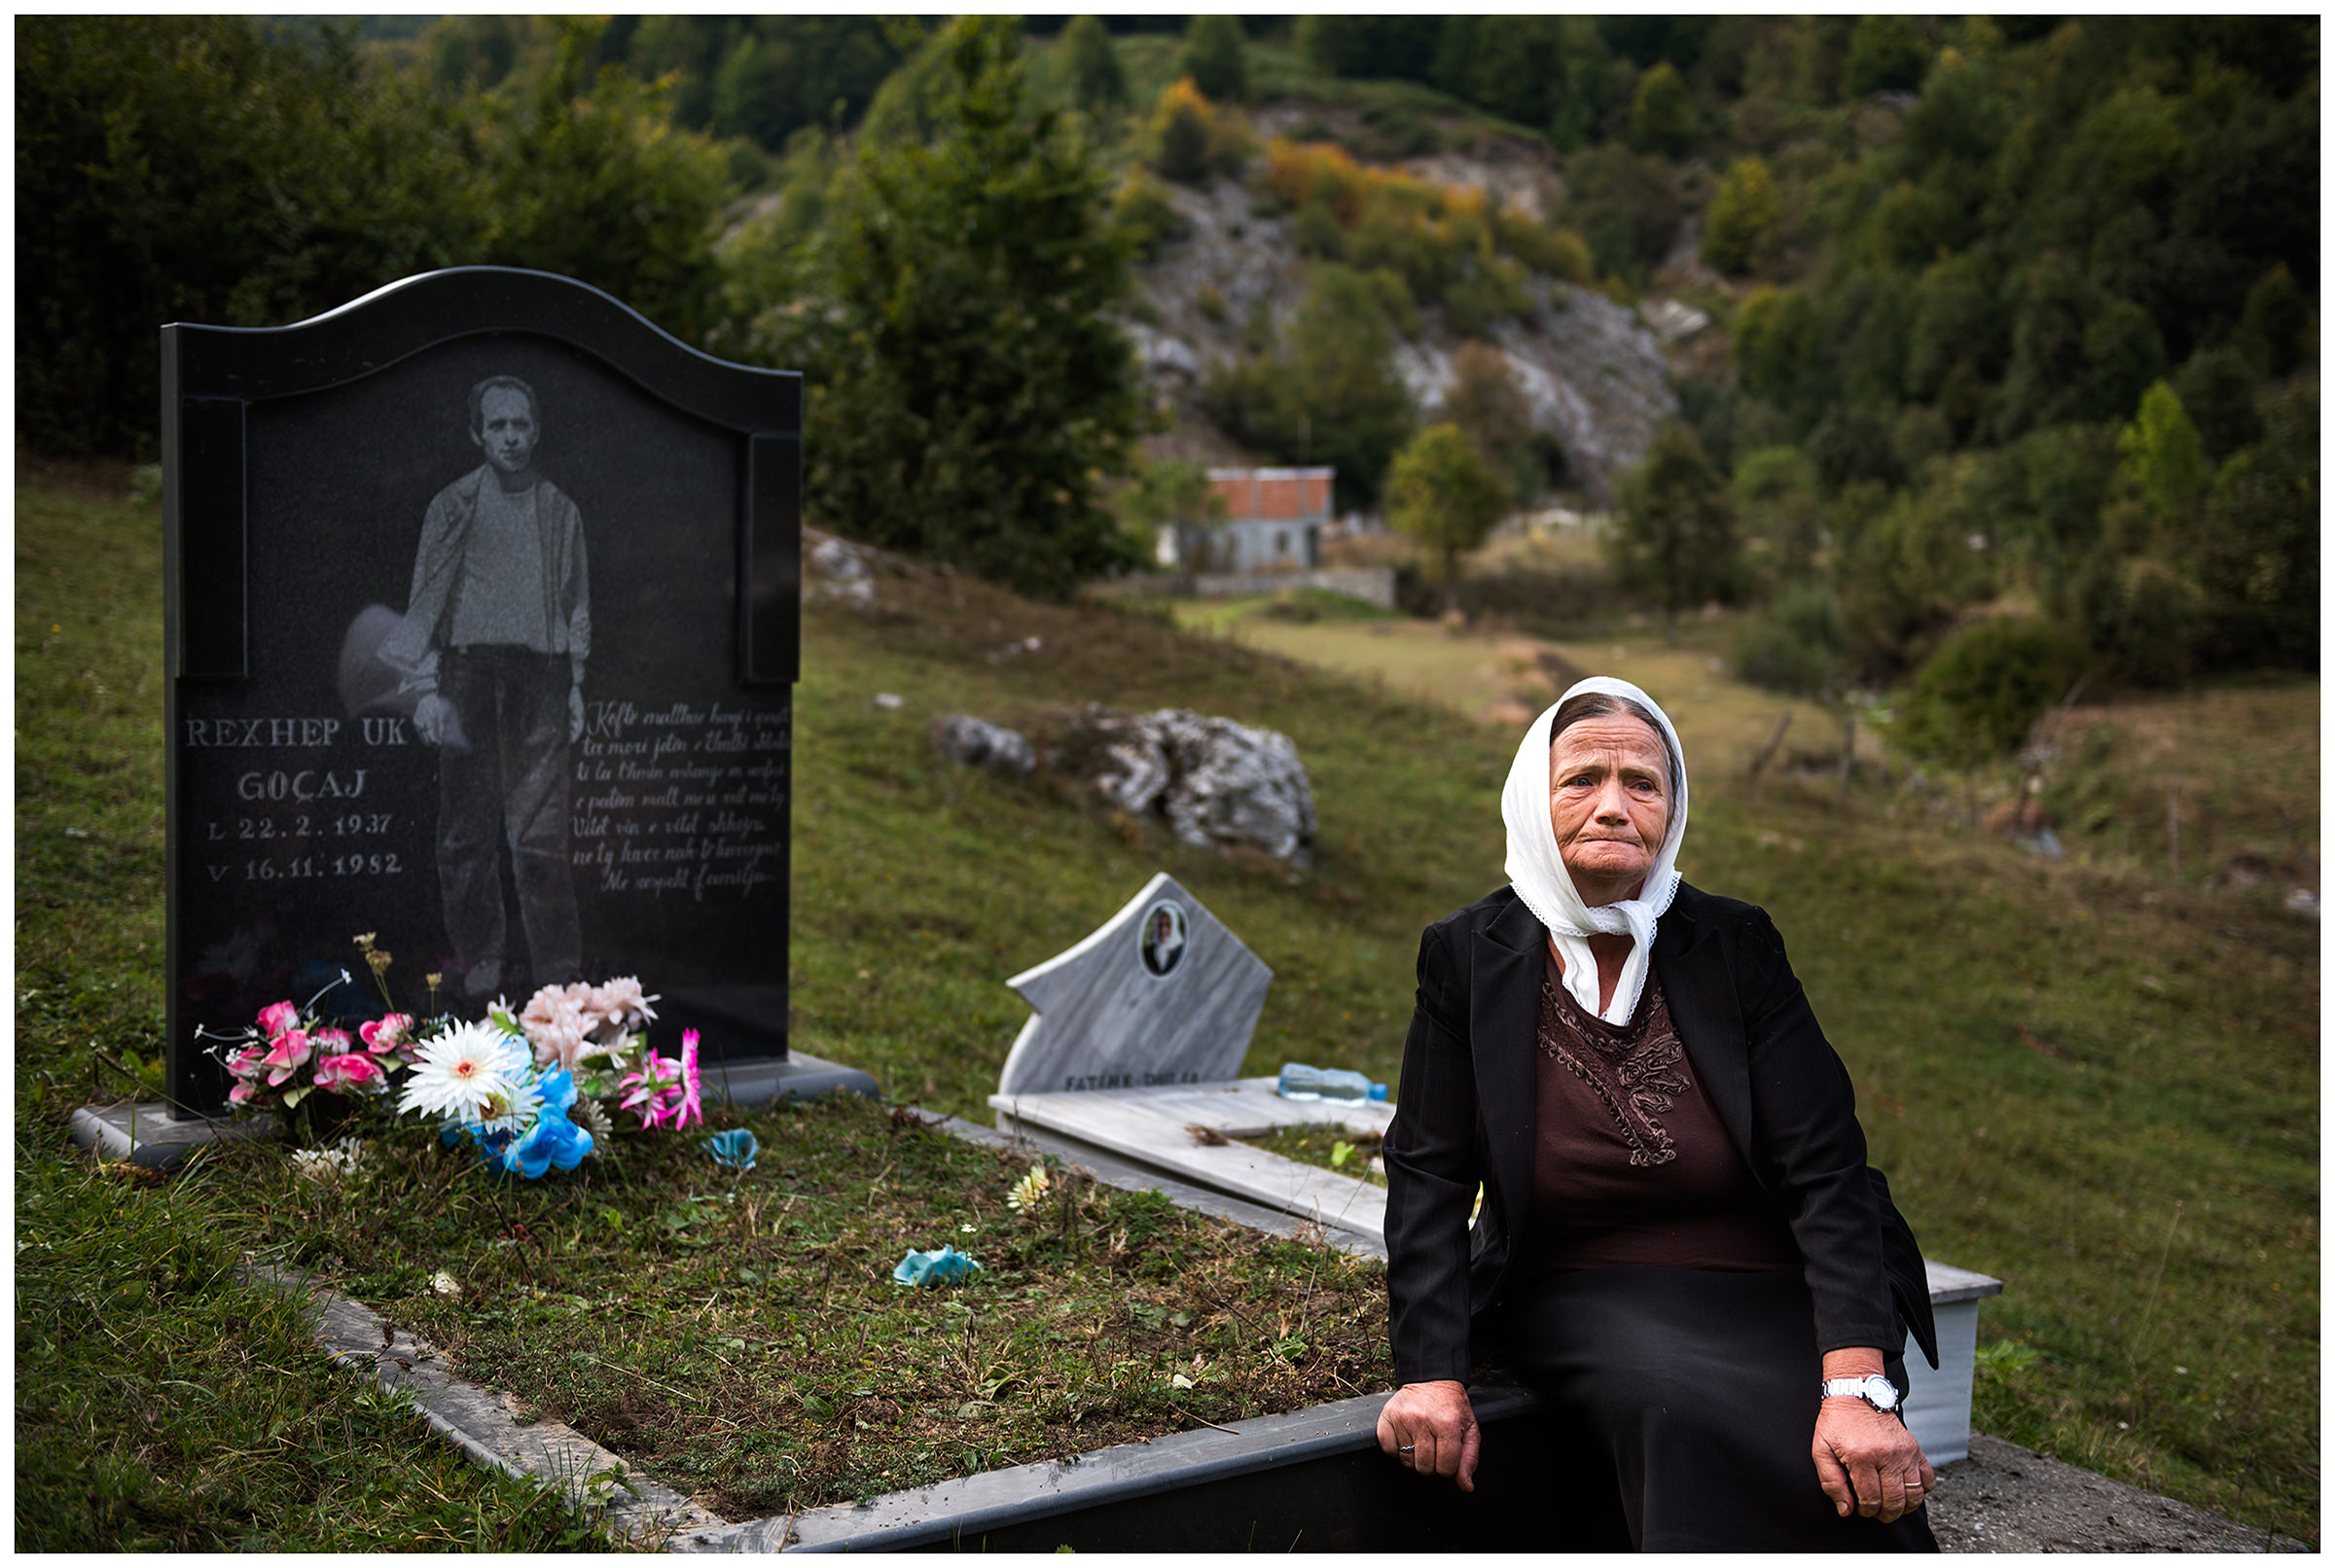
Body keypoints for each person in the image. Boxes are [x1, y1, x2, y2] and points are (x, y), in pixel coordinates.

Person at [1375, 676, 1940, 1550]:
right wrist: (1430, 1374)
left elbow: (1828, 1166)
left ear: (1672, 810)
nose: (1612, 807)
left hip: (1769, 1277)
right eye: (1581, 780)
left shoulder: (1734, 943)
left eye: (1642, 783)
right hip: (1584, 1280)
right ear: (1534, 797)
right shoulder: (1468, 954)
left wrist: (1858, 1381)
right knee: (1672, 1402)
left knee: (1836, 1435)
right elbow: (1430, 1168)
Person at [377, 375, 588, 1001]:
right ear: (477, 434)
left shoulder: (560, 512)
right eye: (498, 426)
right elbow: (425, 600)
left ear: (537, 429)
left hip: (542, 678)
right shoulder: (452, 506)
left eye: (521, 424)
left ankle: (562, 981)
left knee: (539, 836)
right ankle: (481, 961)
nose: (511, 437)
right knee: (466, 832)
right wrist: (426, 688)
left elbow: (576, 604)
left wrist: (574, 682)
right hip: (468, 674)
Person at [1141, 905, 1185, 976]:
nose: (1163, 930)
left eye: (1168, 925)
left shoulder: (1180, 952)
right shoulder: (1147, 952)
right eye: (1160, 925)